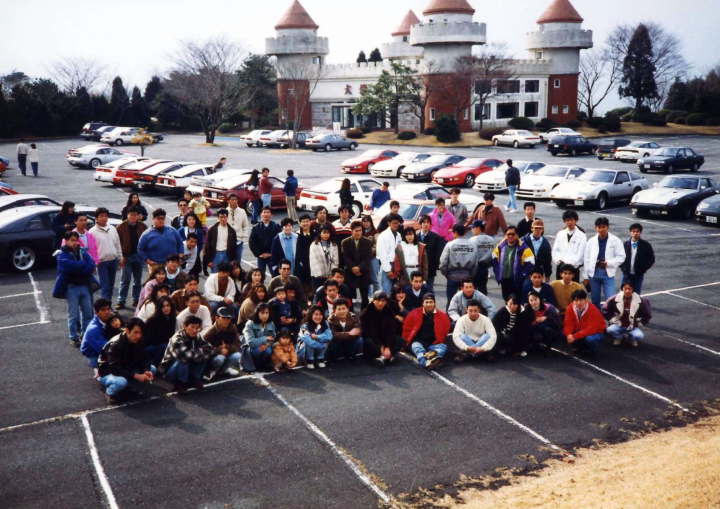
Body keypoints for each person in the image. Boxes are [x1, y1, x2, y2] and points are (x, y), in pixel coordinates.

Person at [53, 231, 98, 347]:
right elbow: (68, 268)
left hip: (84, 286)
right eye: (72, 240)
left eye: (76, 240)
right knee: (73, 315)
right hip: (71, 288)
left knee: (88, 313)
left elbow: (91, 265)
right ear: (66, 241)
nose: (75, 243)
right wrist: (83, 265)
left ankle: (85, 335)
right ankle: (73, 337)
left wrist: (80, 267)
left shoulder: (82, 251)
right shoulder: (61, 254)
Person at [97, 318, 155, 404]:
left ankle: (129, 386)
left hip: (126, 365)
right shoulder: (116, 344)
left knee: (152, 369)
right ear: (127, 331)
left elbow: (144, 358)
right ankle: (110, 392)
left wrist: (146, 370)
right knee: (121, 382)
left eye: (140, 333)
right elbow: (114, 368)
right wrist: (136, 376)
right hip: (107, 371)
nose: (139, 336)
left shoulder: (138, 340)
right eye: (135, 332)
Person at [161, 315, 213, 392]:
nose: (195, 330)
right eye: (192, 327)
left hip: (188, 365)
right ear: (185, 326)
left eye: (197, 328)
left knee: (203, 357)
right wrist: (200, 352)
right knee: (184, 360)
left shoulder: (197, 336)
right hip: (171, 370)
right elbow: (184, 356)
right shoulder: (177, 338)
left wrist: (197, 353)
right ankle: (181, 383)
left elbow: (210, 349)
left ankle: (194, 379)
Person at [584, 217, 625, 307]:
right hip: (594, 274)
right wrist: (585, 277)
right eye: (599, 227)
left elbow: (621, 257)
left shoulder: (616, 240)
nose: (601, 229)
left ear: (608, 227)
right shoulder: (591, 241)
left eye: (603, 227)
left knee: (611, 299)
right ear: (596, 228)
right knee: (595, 300)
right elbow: (586, 259)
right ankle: (597, 314)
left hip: (608, 273)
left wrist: (608, 263)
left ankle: (609, 315)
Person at [403, 293, 451, 370]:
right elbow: (407, 329)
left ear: (434, 303)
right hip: (418, 342)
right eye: (427, 302)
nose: (429, 304)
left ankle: (429, 357)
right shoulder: (414, 313)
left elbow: (446, 330)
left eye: (431, 302)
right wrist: (406, 342)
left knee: (443, 347)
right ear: (423, 303)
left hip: (433, 344)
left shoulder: (442, 316)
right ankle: (427, 362)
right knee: (416, 347)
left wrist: (439, 340)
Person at [116, 206, 147, 310]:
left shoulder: (142, 226)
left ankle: (136, 299)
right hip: (126, 257)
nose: (133, 217)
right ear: (127, 215)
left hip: (138, 256)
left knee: (138, 280)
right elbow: (117, 243)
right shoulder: (120, 227)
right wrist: (121, 256)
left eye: (135, 215)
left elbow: (146, 241)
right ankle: (121, 301)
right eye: (131, 215)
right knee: (125, 280)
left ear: (138, 216)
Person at [439, 224, 479, 305]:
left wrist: (446, 274)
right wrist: (471, 275)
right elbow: (475, 263)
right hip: (467, 277)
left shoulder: (450, 244)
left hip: (452, 276)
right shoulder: (472, 245)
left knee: (451, 302)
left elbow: (443, 262)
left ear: (455, 233)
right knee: (467, 303)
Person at [492, 226, 536, 300]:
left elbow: (531, 263)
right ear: (505, 235)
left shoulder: (523, 248)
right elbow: (494, 259)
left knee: (517, 301)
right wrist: (497, 273)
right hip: (504, 280)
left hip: (517, 281)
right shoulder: (500, 246)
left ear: (517, 235)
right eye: (508, 234)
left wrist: (523, 275)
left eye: (513, 234)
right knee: (507, 301)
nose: (510, 236)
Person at [360, 291, 404, 366]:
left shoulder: (389, 312)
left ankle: (383, 357)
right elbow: (369, 332)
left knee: (400, 341)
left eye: (383, 301)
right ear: (373, 301)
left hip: (385, 338)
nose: (380, 303)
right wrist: (381, 346)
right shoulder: (366, 313)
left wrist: (388, 346)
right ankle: (387, 356)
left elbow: (391, 331)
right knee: (368, 343)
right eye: (378, 301)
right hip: (373, 339)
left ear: (386, 302)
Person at [605, 282, 652, 348]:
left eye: (629, 289)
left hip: (633, 326)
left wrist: (640, 323)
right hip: (619, 324)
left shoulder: (642, 301)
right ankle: (619, 337)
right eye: (625, 289)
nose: (627, 291)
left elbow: (647, 314)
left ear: (633, 290)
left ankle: (631, 338)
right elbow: (606, 311)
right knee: (609, 330)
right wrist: (612, 320)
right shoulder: (614, 299)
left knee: (639, 336)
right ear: (622, 289)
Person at [89, 207, 122, 303]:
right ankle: (104, 307)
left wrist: (120, 257)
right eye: (101, 216)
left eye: (106, 216)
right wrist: (94, 263)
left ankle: (108, 305)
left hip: (113, 261)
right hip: (101, 263)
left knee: (111, 286)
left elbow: (117, 244)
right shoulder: (92, 232)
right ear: (96, 218)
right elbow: (91, 250)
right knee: (105, 287)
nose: (104, 218)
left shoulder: (112, 228)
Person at [138, 209, 183, 273]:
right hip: (156, 265)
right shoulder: (146, 234)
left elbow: (180, 243)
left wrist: (180, 255)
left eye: (163, 219)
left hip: (173, 264)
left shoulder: (172, 230)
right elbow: (140, 249)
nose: (161, 221)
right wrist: (147, 260)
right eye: (158, 218)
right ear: (153, 219)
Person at [204, 307, 242, 380]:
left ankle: (223, 371)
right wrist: (219, 350)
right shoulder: (210, 331)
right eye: (224, 318)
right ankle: (211, 371)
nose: (226, 321)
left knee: (237, 355)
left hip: (228, 353)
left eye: (228, 318)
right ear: (217, 318)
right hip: (214, 357)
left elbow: (238, 344)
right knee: (220, 358)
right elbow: (205, 349)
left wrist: (228, 348)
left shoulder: (233, 328)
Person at [564, 289, 606, 355]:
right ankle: (580, 347)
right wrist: (569, 334)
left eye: (581, 300)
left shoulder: (593, 309)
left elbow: (591, 329)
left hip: (596, 331)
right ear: (573, 301)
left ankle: (592, 350)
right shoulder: (570, 308)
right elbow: (568, 323)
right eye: (576, 300)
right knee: (565, 333)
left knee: (590, 339)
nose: (578, 303)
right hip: (581, 330)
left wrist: (575, 336)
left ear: (586, 300)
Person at [342, 220, 373, 310]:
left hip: (364, 271)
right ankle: (350, 313)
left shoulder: (367, 242)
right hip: (350, 272)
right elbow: (345, 257)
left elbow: (368, 258)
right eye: (356, 231)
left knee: (365, 296)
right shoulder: (345, 242)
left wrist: (359, 268)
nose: (358, 233)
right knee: (350, 295)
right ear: (351, 231)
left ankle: (365, 313)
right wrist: (353, 268)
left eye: (360, 230)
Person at [552, 210, 587, 281]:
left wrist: (571, 264)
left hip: (573, 268)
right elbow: (555, 250)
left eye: (572, 220)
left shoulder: (582, 236)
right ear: (564, 221)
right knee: (559, 287)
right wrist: (559, 261)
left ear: (576, 220)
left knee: (573, 287)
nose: (570, 222)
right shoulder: (560, 234)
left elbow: (581, 253)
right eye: (567, 220)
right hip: (561, 267)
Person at [620, 223, 655, 294]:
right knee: (624, 293)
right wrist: (624, 268)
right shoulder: (625, 245)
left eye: (637, 231)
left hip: (638, 275)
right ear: (630, 232)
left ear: (640, 232)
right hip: (626, 274)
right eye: (633, 231)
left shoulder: (646, 245)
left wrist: (643, 269)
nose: (635, 233)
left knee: (636, 294)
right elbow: (619, 257)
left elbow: (651, 259)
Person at [80, 299, 114, 370]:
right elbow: (105, 349)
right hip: (95, 356)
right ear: (96, 312)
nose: (107, 312)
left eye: (108, 309)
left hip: (102, 349)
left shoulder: (107, 320)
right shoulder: (94, 329)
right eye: (103, 310)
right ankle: (98, 371)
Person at [249, 207, 281, 279]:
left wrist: (272, 253)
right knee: (260, 276)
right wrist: (259, 254)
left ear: (271, 215)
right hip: (261, 256)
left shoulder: (276, 227)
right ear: (261, 214)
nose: (266, 214)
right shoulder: (256, 228)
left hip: (273, 256)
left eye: (268, 212)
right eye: (264, 212)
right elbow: (252, 242)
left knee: (275, 275)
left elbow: (279, 242)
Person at [144, 296, 177, 365]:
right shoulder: (153, 320)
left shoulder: (172, 318)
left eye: (168, 305)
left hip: (164, 344)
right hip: (151, 346)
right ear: (159, 308)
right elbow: (151, 339)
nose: (166, 308)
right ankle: (156, 365)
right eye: (163, 306)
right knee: (165, 346)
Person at [416, 215, 445, 291]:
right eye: (424, 222)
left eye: (428, 222)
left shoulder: (436, 237)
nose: (426, 224)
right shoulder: (416, 236)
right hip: (417, 267)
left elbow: (438, 254)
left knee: (429, 289)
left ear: (430, 225)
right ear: (420, 224)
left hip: (430, 268)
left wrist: (436, 266)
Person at [243, 303, 276, 369]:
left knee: (268, 350)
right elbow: (250, 342)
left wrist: (266, 345)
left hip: (266, 346)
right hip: (252, 348)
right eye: (262, 313)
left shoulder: (271, 323)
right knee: (258, 350)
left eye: (267, 313)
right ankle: (254, 364)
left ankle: (264, 364)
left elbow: (273, 338)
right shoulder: (250, 323)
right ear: (257, 313)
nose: (265, 315)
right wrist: (265, 338)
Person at [204, 208, 237, 274]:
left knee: (226, 274)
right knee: (214, 275)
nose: (223, 219)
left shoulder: (232, 230)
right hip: (216, 255)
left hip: (227, 255)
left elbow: (234, 246)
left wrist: (232, 259)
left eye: (225, 217)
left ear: (227, 217)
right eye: (221, 217)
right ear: (218, 218)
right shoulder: (212, 229)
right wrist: (209, 260)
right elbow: (207, 245)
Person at [376, 213, 402, 294]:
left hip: (397, 265)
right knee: (386, 291)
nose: (396, 225)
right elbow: (382, 255)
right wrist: (388, 270)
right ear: (389, 223)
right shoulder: (383, 236)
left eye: (397, 223)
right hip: (387, 266)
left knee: (396, 292)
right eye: (394, 223)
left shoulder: (398, 235)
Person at [309, 225, 339, 290]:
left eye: (328, 233)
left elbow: (335, 261)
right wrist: (321, 275)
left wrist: (332, 274)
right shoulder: (314, 245)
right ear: (320, 233)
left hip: (330, 276)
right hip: (318, 276)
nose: (326, 235)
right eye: (324, 233)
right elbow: (314, 261)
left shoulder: (333, 245)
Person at [469, 220, 494, 295]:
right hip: (485, 268)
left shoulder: (472, 240)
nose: (471, 230)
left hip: (474, 268)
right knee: (483, 288)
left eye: (473, 227)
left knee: (472, 290)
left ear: (478, 228)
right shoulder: (491, 239)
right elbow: (493, 254)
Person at [295, 214, 315, 298]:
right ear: (300, 223)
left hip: (313, 264)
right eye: (303, 222)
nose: (305, 223)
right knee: (303, 287)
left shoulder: (315, 234)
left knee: (313, 286)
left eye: (307, 221)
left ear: (310, 222)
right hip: (301, 265)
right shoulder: (296, 235)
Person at [226, 194, 250, 263]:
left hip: (239, 241)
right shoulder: (225, 211)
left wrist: (243, 238)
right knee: (228, 261)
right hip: (227, 242)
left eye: (236, 200)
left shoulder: (242, 211)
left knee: (237, 261)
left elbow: (245, 226)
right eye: (232, 200)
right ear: (228, 201)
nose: (234, 201)